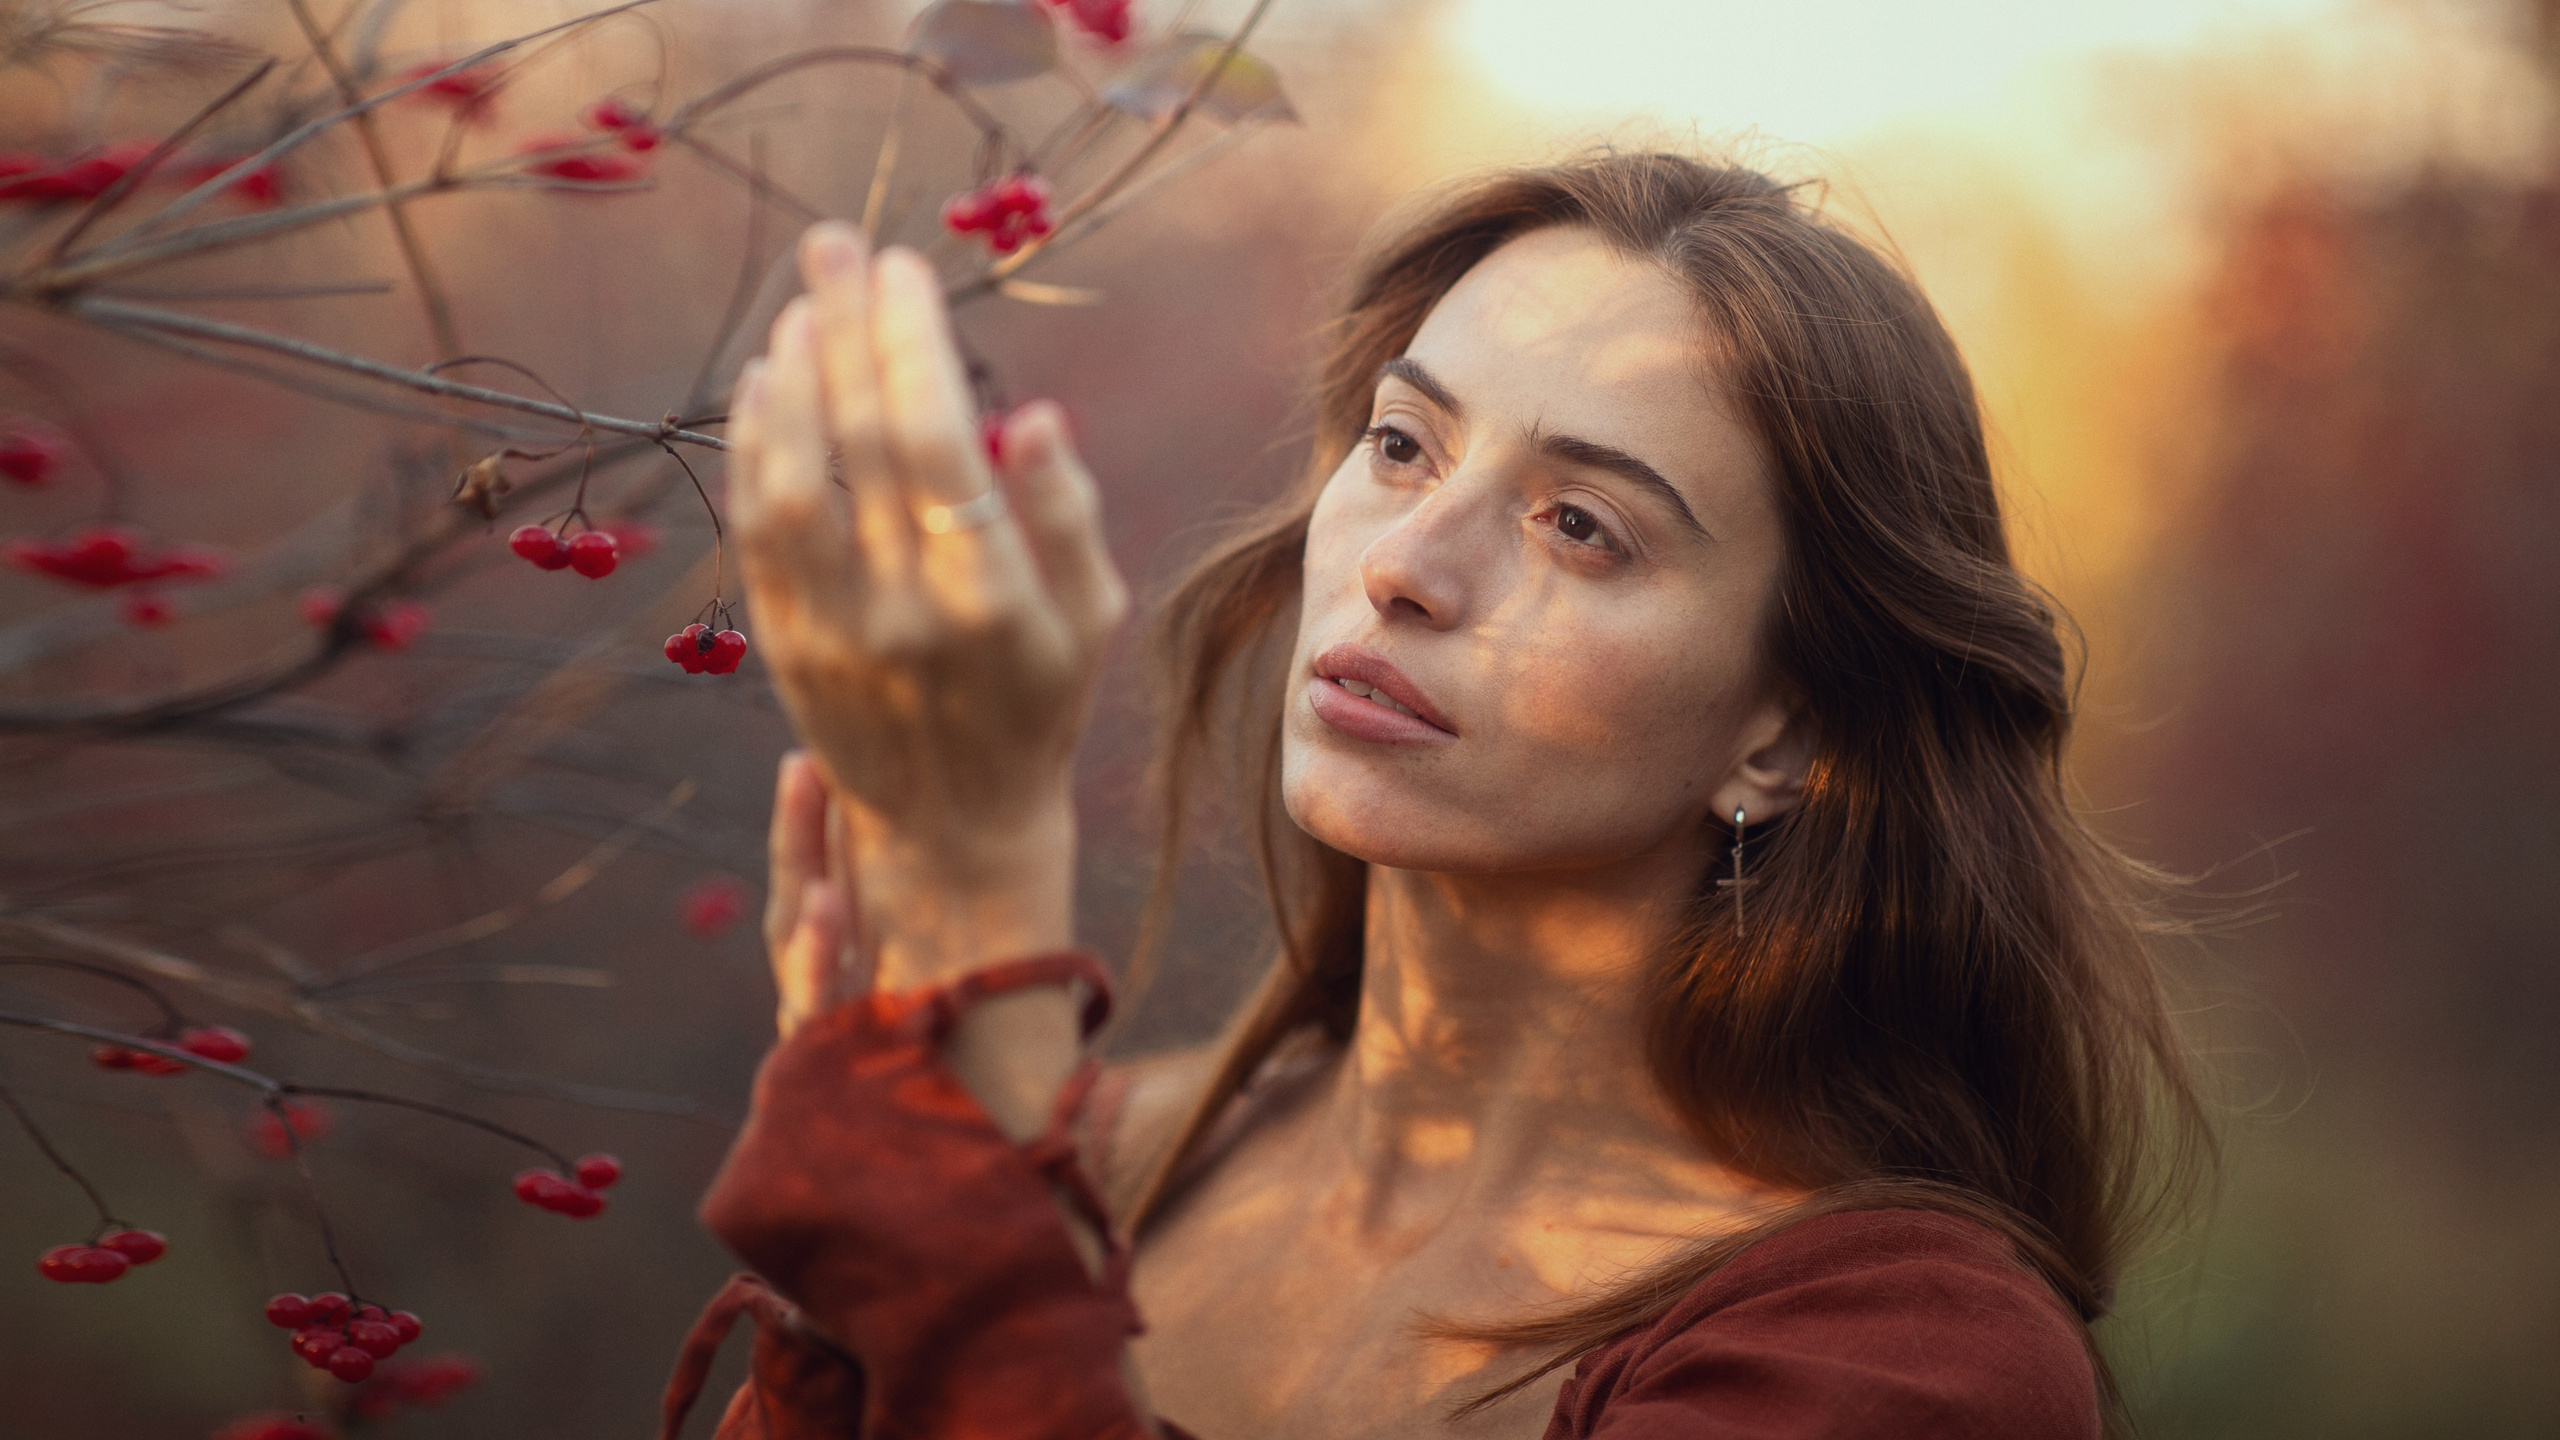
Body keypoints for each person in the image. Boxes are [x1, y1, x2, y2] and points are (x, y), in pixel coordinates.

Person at [660, 152, 2208, 1440]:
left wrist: (983, 938)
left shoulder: (1901, 1358)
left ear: (1786, 731)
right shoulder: (1111, 1158)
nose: (1403, 564)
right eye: (1402, 444)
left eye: (1581, 526)